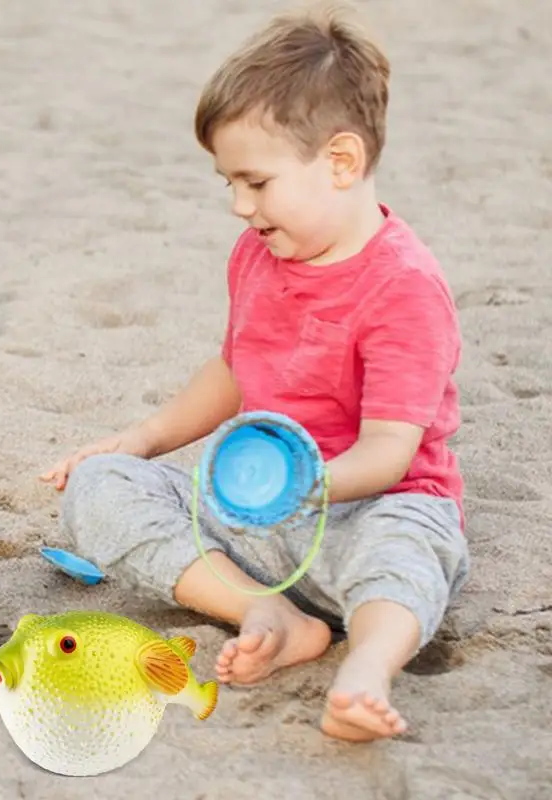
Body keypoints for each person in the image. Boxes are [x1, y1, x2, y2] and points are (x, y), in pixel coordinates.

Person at [40, 2, 470, 743]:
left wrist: (309, 489)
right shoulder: (261, 254)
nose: (240, 206)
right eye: (227, 183)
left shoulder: (403, 288)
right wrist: (139, 439)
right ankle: (263, 610)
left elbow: (391, 452)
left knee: (409, 558)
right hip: (252, 519)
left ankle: (366, 669)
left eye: (257, 182)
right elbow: (236, 369)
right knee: (100, 488)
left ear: (341, 161)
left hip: (370, 506)